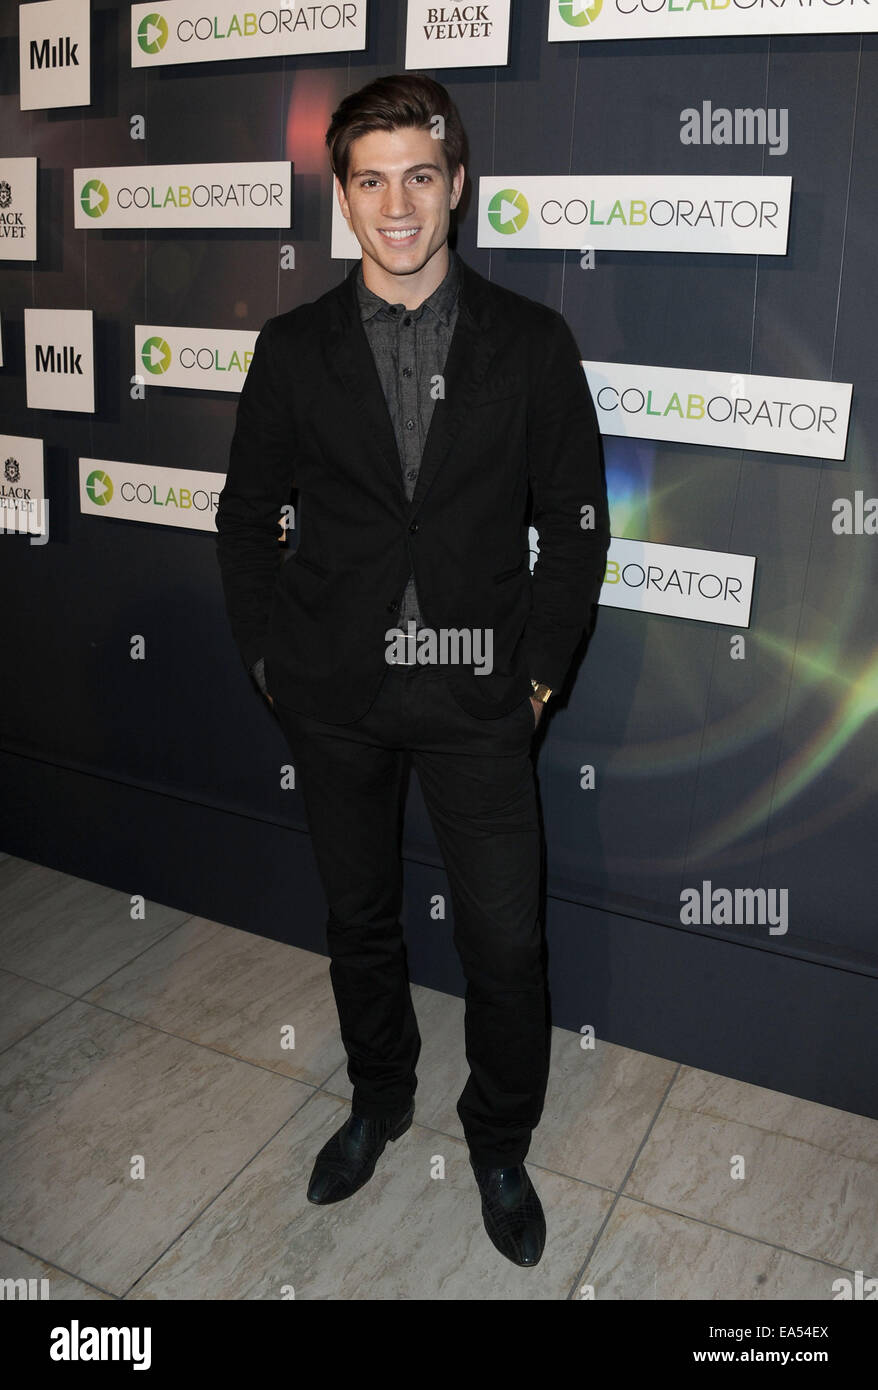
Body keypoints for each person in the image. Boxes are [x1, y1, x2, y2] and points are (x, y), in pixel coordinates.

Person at [215, 72, 610, 1268]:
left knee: (503, 940)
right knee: (360, 921)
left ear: (454, 185)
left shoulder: (531, 343)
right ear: (342, 195)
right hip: (334, 692)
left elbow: (577, 525)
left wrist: (536, 682)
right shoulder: (291, 350)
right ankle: (378, 1098)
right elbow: (245, 522)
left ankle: (497, 1138)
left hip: (479, 690)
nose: (396, 205)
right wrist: (273, 663)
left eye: (418, 177)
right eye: (370, 180)